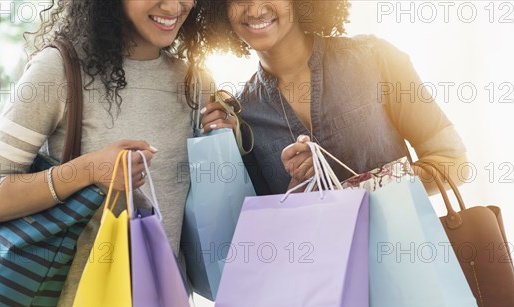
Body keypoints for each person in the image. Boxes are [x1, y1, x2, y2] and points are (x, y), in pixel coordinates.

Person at [0, 0, 212, 307]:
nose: (174, 5)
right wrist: (87, 170)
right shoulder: (59, 70)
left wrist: (223, 140)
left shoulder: (194, 82)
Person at [200, 0, 468, 195]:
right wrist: (220, 147)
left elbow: (453, 164)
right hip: (317, 273)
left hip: (406, 261)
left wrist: (364, 188)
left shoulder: (374, 58)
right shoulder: (242, 118)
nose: (255, 8)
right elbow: (261, 230)